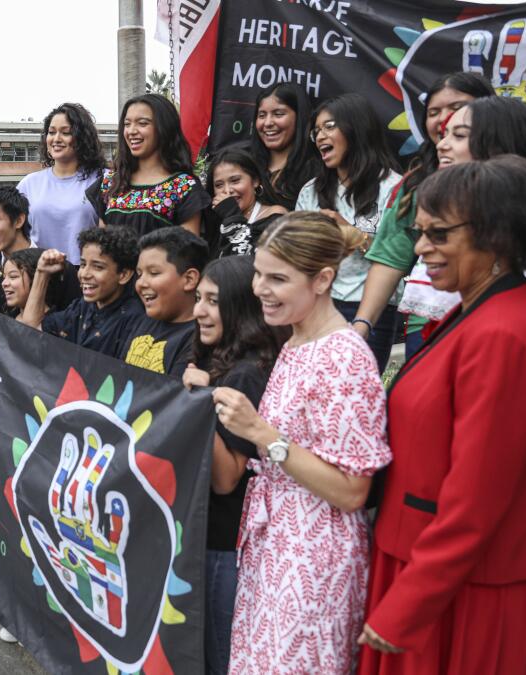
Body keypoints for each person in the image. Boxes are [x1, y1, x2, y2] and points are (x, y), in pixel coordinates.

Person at [357, 157, 526, 674]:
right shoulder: (477, 310)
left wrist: (409, 601)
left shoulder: (506, 332)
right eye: (420, 234)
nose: (420, 250)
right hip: (428, 567)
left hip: (461, 587)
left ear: (497, 237)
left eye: (438, 235)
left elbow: (477, 495)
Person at [212, 212, 391, 674]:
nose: (259, 289)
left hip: (313, 561)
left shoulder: (346, 358)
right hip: (273, 546)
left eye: (277, 278)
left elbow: (353, 491)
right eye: (258, 274)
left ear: (323, 280)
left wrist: (261, 435)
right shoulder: (296, 342)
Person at [359, 90, 526, 359]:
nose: (442, 144)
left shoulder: (511, 324)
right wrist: (362, 324)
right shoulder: (419, 187)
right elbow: (390, 258)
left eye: (440, 233)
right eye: (443, 131)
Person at [181, 256, 287, 675]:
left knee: (219, 658)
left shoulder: (245, 375)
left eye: (213, 301)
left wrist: (202, 403)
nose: (199, 311)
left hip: (225, 546)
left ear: (242, 307)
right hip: (208, 537)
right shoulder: (219, 363)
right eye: (199, 298)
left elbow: (226, 479)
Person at [295, 93, 403, 371]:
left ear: (357, 128)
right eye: (316, 131)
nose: (320, 136)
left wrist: (350, 232)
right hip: (317, 307)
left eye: (329, 126)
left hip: (372, 311)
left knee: (353, 397)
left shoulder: (394, 188)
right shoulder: (311, 191)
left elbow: (400, 256)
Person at [88, 93, 209, 237]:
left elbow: (188, 251)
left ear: (164, 127)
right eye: (127, 124)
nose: (132, 131)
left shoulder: (184, 186)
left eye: (143, 123)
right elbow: (101, 246)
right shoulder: (110, 182)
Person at [21, 226, 144, 357]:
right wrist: (42, 273)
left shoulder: (135, 321)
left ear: (124, 275)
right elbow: (31, 330)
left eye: (97, 267)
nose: (84, 274)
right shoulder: (81, 308)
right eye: (83, 264)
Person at [17, 102, 104, 263]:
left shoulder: (103, 179)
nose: (56, 139)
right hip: (38, 275)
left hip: (87, 277)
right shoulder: (28, 184)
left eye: (66, 132)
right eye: (51, 132)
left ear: (82, 137)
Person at [120, 227, 206, 375]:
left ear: (189, 279)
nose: (141, 283)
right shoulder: (142, 321)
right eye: (139, 274)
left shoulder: (199, 339)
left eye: (154, 273)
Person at [208, 148, 288, 258]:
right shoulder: (217, 218)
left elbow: (251, 261)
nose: (227, 190)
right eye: (219, 185)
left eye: (235, 180)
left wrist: (232, 216)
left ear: (255, 181)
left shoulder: (275, 215)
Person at [248, 82, 317, 210]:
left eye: (278, 114)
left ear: (299, 117)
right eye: (261, 115)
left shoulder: (316, 173)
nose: (268, 123)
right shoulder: (246, 166)